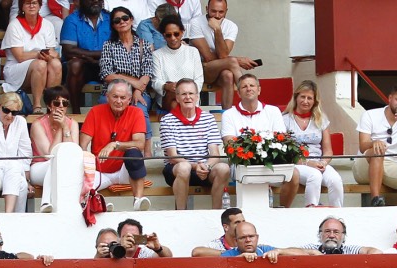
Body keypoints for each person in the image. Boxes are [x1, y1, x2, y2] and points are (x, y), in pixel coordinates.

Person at [159, 78, 230, 210]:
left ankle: (217, 213)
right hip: (176, 169)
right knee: (184, 167)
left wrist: (206, 166)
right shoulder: (167, 120)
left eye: (191, 93)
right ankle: (181, 213)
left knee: (223, 168)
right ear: (177, 98)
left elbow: (215, 154)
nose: (188, 97)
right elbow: (173, 157)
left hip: (204, 169)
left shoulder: (208, 118)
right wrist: (196, 165)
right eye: (183, 94)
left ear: (197, 96)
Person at [80, 79, 150, 211]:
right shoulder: (95, 111)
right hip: (99, 170)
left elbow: (140, 144)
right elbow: (83, 146)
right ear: (107, 97)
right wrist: (88, 167)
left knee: (134, 153)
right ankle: (100, 207)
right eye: (115, 96)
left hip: (124, 171)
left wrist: (114, 144)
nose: (119, 101)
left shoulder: (136, 113)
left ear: (129, 99)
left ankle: (138, 201)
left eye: (123, 97)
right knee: (79, 190)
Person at [30, 85, 98, 214]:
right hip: (40, 167)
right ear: (49, 106)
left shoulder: (72, 124)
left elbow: (73, 153)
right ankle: (46, 202)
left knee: (82, 164)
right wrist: (60, 128)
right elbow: (48, 155)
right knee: (54, 163)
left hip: (65, 166)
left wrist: (65, 128)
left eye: (65, 103)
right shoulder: (37, 124)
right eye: (57, 102)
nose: (61, 106)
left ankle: (90, 201)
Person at [279, 80, 344, 208]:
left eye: (310, 98)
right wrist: (309, 163)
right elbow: (284, 152)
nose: (306, 101)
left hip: (318, 162)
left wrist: (323, 163)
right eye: (302, 97)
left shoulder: (321, 119)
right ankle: (311, 211)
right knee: (314, 176)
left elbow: (328, 150)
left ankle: (337, 215)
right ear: (296, 97)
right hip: (296, 163)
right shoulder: (284, 120)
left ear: (315, 101)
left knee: (335, 180)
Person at [99, 6, 154, 152]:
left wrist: (137, 90)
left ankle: (147, 152)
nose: (122, 22)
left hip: (139, 91)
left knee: (140, 109)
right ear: (113, 25)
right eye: (117, 20)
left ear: (131, 20)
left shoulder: (144, 45)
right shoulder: (108, 46)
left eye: (125, 18)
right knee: (104, 105)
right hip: (114, 90)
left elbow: (147, 73)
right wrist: (131, 81)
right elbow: (107, 74)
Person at [187, 0, 258, 110]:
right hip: (200, 69)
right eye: (213, 11)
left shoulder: (231, 26)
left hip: (219, 70)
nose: (217, 15)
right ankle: (248, 95)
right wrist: (237, 60)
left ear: (226, 11)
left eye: (221, 12)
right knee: (233, 62)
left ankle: (227, 113)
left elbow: (223, 55)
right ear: (206, 9)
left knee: (228, 75)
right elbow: (208, 57)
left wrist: (218, 30)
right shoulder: (195, 23)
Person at [1, 0, 61, 114]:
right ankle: (37, 106)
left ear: (40, 6)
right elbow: (19, 56)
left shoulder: (47, 24)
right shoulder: (14, 25)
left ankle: (52, 106)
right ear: (22, 7)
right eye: (27, 3)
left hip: (40, 66)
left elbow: (52, 52)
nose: (31, 6)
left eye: (34, 3)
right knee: (40, 64)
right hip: (16, 68)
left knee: (56, 64)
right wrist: (38, 54)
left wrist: (49, 56)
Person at [59, 0, 111, 114]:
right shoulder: (72, 20)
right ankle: (76, 113)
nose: (96, 1)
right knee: (75, 64)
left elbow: (117, 49)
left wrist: (90, 56)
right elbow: (69, 51)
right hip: (83, 66)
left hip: (106, 65)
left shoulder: (110, 18)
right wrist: (98, 55)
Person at [151, 14, 203, 112]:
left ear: (182, 33)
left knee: (177, 103)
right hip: (168, 96)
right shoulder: (157, 55)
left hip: (190, 97)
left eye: (176, 34)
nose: (173, 38)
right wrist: (166, 86)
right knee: (174, 99)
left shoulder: (193, 52)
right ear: (163, 35)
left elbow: (199, 79)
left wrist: (184, 89)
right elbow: (156, 81)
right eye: (168, 35)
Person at [220, 74, 285, 144]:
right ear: (238, 93)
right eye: (244, 87)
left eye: (252, 85)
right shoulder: (228, 114)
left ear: (259, 90)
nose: (248, 89)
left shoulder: (274, 111)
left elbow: (281, 139)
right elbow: (229, 142)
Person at [220, 221, 310, 262]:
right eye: (242, 238)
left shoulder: (264, 250)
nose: (248, 240)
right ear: (236, 241)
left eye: (251, 236)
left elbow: (304, 255)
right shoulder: (228, 255)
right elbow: (217, 267)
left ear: (257, 238)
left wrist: (279, 251)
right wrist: (239, 258)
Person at [300, 216, 383, 255]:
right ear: (320, 234)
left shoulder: (350, 250)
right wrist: (311, 252)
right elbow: (286, 252)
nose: (331, 235)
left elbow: (377, 253)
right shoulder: (312, 248)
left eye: (336, 232)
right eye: (327, 231)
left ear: (343, 236)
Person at [101, 217, 173, 258]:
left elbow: (169, 257)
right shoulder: (112, 251)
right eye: (126, 236)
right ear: (119, 238)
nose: (130, 239)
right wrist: (121, 249)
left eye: (134, 237)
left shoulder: (143, 253)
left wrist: (158, 248)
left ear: (140, 237)